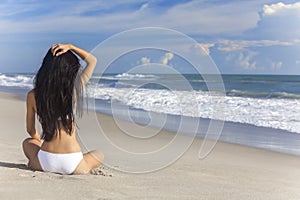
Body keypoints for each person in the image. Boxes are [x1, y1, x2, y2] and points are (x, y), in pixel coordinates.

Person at [22, 44, 104, 174]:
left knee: (27, 143)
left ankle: (34, 162)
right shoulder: (74, 91)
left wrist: (39, 140)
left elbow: (30, 130)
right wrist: (71, 47)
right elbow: (92, 61)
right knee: (99, 154)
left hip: (46, 161)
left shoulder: (33, 95)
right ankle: (82, 167)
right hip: (74, 162)